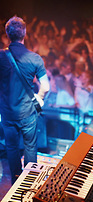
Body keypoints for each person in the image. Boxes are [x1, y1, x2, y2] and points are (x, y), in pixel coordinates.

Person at [0, 16, 50, 184]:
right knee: (30, 147)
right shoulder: (35, 58)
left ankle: (15, 182)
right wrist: (39, 98)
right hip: (28, 112)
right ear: (25, 33)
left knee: (11, 148)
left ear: (7, 34)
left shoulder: (1, 57)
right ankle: (29, 183)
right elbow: (46, 86)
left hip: (7, 113)